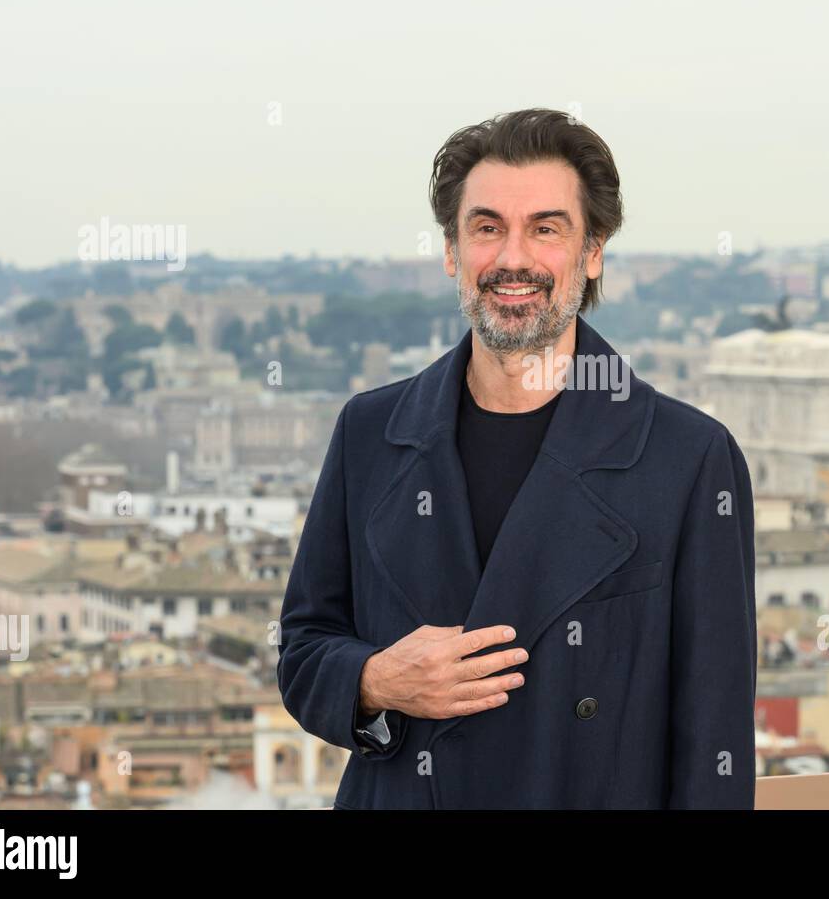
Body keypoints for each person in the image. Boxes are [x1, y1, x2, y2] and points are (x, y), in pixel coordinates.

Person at [277, 108, 756, 808]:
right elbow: (303, 649)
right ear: (452, 251)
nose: (512, 259)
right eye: (487, 227)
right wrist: (375, 679)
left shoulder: (689, 459)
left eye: (546, 229)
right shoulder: (369, 433)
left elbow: (713, 742)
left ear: (592, 253)